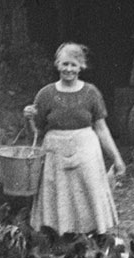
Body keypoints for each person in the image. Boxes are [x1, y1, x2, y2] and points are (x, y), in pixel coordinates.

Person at [23, 42, 125, 234]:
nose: (69, 69)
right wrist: (28, 117)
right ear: (58, 65)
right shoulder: (45, 94)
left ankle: (92, 235)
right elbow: (36, 132)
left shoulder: (91, 93)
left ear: (81, 67)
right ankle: (58, 236)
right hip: (54, 151)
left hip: (86, 148)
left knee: (88, 192)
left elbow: (102, 129)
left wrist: (117, 159)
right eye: (65, 64)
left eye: (73, 65)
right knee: (59, 196)